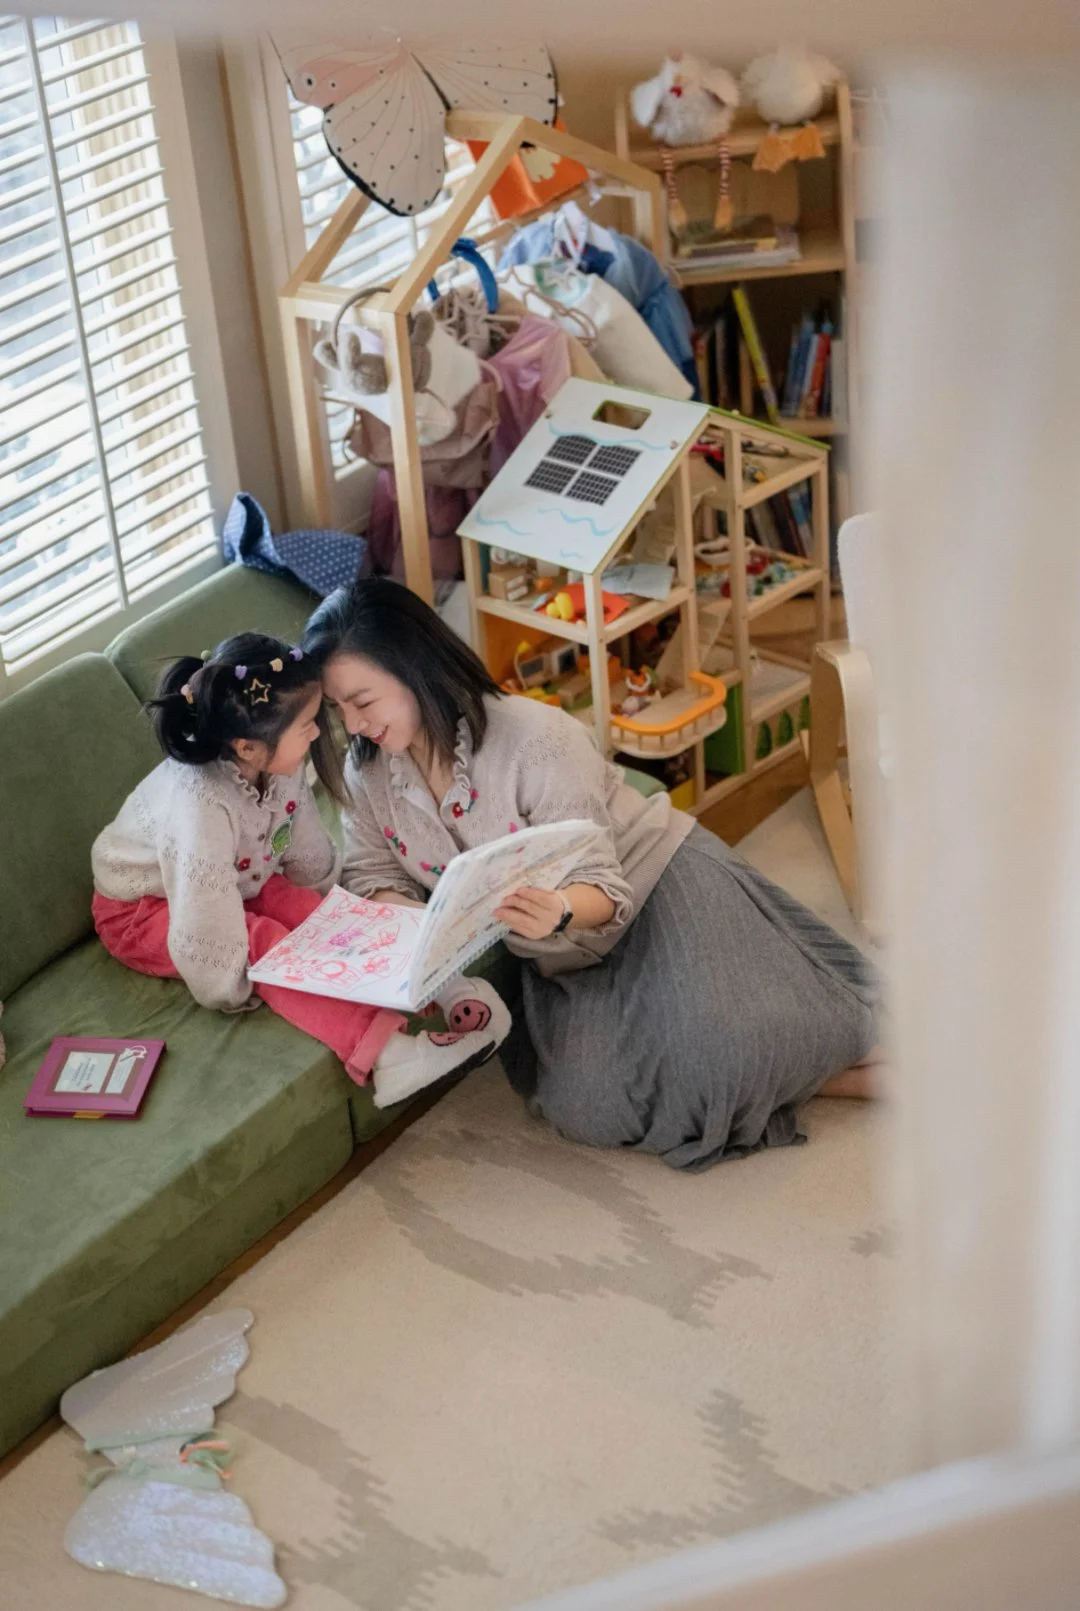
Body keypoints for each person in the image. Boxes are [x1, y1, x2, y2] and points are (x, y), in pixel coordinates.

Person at [304, 581, 883, 1172]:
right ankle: (814, 1073)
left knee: (718, 1057)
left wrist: (557, 910)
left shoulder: (537, 739)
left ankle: (858, 1061)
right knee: (586, 1105)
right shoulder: (367, 771)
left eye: (363, 701)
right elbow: (372, 870)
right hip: (561, 952)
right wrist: (420, 925)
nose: (354, 724)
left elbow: (601, 884)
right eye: (338, 709)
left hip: (653, 882)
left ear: (414, 668)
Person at [91, 633, 509, 1105]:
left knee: (305, 909)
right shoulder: (200, 805)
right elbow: (202, 916)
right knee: (267, 946)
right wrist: (231, 983)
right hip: (141, 909)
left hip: (238, 882)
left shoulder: (278, 764)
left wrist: (327, 910)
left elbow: (306, 852)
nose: (318, 733)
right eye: (307, 724)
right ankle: (391, 1056)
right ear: (248, 747)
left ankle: (439, 982)